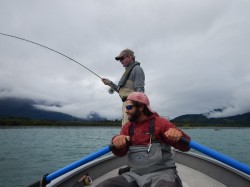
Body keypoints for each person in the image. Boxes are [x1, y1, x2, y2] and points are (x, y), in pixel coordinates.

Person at [96, 92, 191, 187]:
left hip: (162, 175)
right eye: (126, 108)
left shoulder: (161, 123)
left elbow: (185, 147)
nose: (126, 111)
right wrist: (116, 141)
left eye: (129, 107)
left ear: (141, 107)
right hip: (134, 175)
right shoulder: (127, 127)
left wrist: (178, 134)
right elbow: (120, 153)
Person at [102, 49, 145, 126]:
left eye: (122, 58)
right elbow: (121, 91)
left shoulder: (137, 69)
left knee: (129, 129)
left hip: (132, 105)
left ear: (130, 57)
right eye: (119, 59)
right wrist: (109, 83)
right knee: (125, 128)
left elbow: (140, 90)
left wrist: (137, 108)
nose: (120, 61)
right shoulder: (127, 72)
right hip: (126, 104)